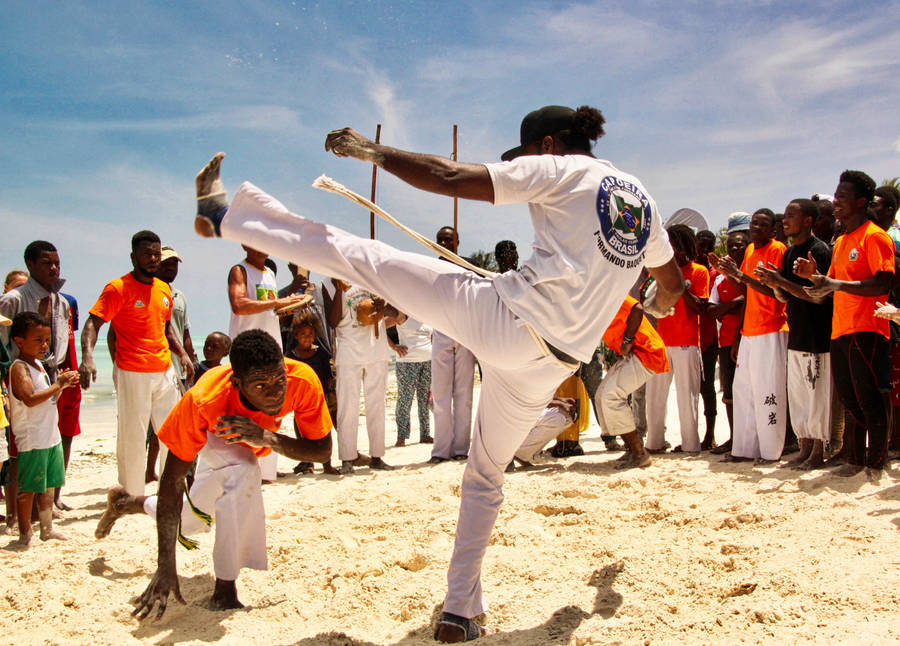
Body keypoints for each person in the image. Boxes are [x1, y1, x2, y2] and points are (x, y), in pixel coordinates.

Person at [191, 103, 682, 640]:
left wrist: (371, 151)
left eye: (523, 154)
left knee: (364, 258)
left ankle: (227, 217)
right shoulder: (645, 205)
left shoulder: (560, 169)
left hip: (506, 320)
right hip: (552, 363)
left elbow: (450, 176)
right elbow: (672, 287)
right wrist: (654, 304)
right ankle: (459, 610)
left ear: (545, 145)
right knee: (486, 473)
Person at [95, 330, 332, 615]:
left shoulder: (301, 379)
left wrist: (266, 437)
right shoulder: (203, 401)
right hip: (211, 432)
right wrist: (165, 565)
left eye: (279, 380)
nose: (275, 392)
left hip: (251, 438)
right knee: (244, 469)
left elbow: (322, 450)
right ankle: (224, 589)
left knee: (192, 520)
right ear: (237, 382)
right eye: (260, 386)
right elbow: (171, 481)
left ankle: (126, 503)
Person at [79, 231, 194, 496]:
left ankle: (170, 488)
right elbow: (92, 324)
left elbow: (166, 328)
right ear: (134, 257)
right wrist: (87, 357)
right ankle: (132, 494)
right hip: (132, 370)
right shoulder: (117, 288)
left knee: (172, 431)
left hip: (164, 369)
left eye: (156, 254)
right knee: (133, 435)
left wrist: (183, 355)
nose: (153, 259)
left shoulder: (163, 289)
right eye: (147, 254)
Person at [796, 171, 894, 478]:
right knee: (850, 400)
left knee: (869, 398)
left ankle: (875, 463)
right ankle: (855, 459)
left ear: (861, 202)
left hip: (867, 327)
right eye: (836, 197)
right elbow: (832, 284)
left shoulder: (875, 236)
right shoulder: (841, 242)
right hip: (840, 328)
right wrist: (813, 276)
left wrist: (834, 283)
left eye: (842, 197)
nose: (836, 202)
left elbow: (883, 282)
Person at [754, 199, 833, 469]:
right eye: (785, 216)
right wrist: (773, 283)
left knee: (816, 395)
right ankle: (804, 448)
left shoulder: (819, 250)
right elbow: (786, 296)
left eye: (791, 216)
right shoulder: (789, 253)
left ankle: (818, 452)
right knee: (799, 394)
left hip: (817, 335)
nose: (785, 221)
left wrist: (780, 282)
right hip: (797, 332)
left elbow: (818, 297)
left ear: (808, 220)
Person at [0, 241, 76, 510]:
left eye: (57, 263)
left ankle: (47, 504)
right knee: (18, 448)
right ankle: (13, 513)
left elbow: (58, 344)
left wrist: (63, 379)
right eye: (47, 263)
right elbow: (2, 346)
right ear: (30, 265)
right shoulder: (13, 300)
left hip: (49, 378)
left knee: (48, 441)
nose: (54, 268)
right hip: (17, 383)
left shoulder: (61, 302)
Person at [709, 209, 788, 463]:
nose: (756, 228)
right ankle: (743, 449)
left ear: (773, 230)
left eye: (762, 225)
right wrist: (730, 272)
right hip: (750, 330)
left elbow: (774, 290)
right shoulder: (751, 251)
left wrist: (740, 275)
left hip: (771, 328)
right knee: (743, 391)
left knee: (768, 391)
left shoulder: (777, 250)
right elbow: (745, 290)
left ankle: (770, 452)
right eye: (754, 224)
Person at [228, 245, 306, 482]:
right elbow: (239, 305)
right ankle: (245, 467)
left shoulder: (269, 274)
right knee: (245, 409)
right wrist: (278, 303)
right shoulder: (239, 271)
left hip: (271, 350)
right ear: (244, 244)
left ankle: (266, 471)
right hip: (248, 351)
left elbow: (270, 312)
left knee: (272, 408)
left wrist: (289, 305)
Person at [7, 312, 79, 546]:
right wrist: (57, 384)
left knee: (48, 485)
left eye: (46, 340)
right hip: (33, 437)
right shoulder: (19, 367)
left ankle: (47, 528)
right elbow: (28, 398)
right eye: (38, 340)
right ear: (19, 341)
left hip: (50, 435)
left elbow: (46, 399)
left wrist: (62, 386)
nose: (44, 345)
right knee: (28, 487)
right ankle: (25, 533)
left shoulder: (37, 365)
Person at [645, 224, 709, 454]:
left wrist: (679, 284)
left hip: (686, 343)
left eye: (672, 245)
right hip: (663, 342)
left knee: (687, 397)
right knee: (655, 397)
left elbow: (700, 307)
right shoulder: (662, 273)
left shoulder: (699, 271)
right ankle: (654, 442)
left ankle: (691, 445)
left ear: (682, 247)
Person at [325, 279, 393, 473]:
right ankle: (347, 458)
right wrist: (339, 291)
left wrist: (383, 304)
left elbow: (390, 307)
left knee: (376, 405)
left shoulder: (368, 275)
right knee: (347, 407)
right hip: (349, 353)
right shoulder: (328, 283)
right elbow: (332, 321)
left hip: (375, 351)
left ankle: (377, 457)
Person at [595, 296, 668, 468]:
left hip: (645, 351)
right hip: (633, 352)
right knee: (601, 396)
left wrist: (627, 340)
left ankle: (639, 453)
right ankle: (632, 448)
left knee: (611, 396)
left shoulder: (610, 290)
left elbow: (637, 308)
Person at [429, 227, 476, 464]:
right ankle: (440, 450)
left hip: (465, 332)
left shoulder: (469, 265)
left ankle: (460, 448)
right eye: (441, 240)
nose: (444, 243)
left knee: (464, 393)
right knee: (440, 394)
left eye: (449, 240)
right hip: (441, 329)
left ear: (457, 242)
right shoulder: (431, 266)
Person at [707, 216, 749, 455]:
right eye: (731, 245)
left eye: (739, 245)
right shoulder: (720, 278)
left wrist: (735, 303)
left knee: (750, 391)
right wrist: (737, 303)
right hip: (725, 341)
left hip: (748, 338)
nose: (734, 248)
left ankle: (747, 438)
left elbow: (750, 296)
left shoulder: (751, 271)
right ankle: (734, 438)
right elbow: (712, 309)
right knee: (730, 394)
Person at [286, 310, 338, 474]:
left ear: (315, 335)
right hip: (300, 402)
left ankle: (326, 464)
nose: (307, 337)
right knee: (301, 433)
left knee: (323, 432)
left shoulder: (321, 354)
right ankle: (306, 462)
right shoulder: (291, 356)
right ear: (295, 335)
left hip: (320, 401)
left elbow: (329, 376)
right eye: (303, 334)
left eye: (310, 333)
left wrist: (331, 393)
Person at [384, 304, 433, 447]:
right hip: (407, 363)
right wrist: (393, 346)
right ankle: (401, 437)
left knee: (424, 399)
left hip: (428, 362)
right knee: (405, 399)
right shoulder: (403, 315)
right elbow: (379, 326)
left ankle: (425, 434)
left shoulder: (427, 316)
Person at [695, 229, 719, 449]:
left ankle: (710, 433)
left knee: (707, 386)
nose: (703, 251)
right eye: (700, 246)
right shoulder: (688, 270)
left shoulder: (715, 274)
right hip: (689, 336)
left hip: (709, 337)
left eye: (707, 246)